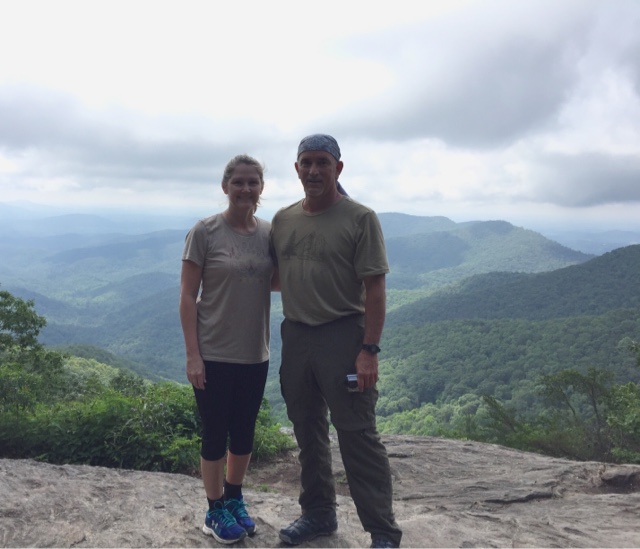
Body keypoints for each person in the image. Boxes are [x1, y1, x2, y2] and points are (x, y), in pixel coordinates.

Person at [270, 134, 403, 548]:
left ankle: (382, 531)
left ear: (338, 169)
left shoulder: (360, 218)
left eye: (322, 163)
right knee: (306, 429)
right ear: (296, 168)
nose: (313, 170)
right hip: (296, 334)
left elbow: (376, 288)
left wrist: (369, 349)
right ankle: (319, 513)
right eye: (306, 162)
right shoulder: (283, 219)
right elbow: (273, 276)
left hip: (344, 334)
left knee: (356, 433)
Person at [179, 154, 276, 545]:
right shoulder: (204, 232)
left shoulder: (269, 233)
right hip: (214, 351)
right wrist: (192, 355)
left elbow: (278, 280)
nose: (246, 189)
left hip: (256, 352)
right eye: (238, 182)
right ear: (225, 186)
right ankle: (213, 508)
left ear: (261, 189)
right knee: (215, 432)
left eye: (253, 182)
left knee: (245, 432)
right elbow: (187, 296)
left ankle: (235, 499)